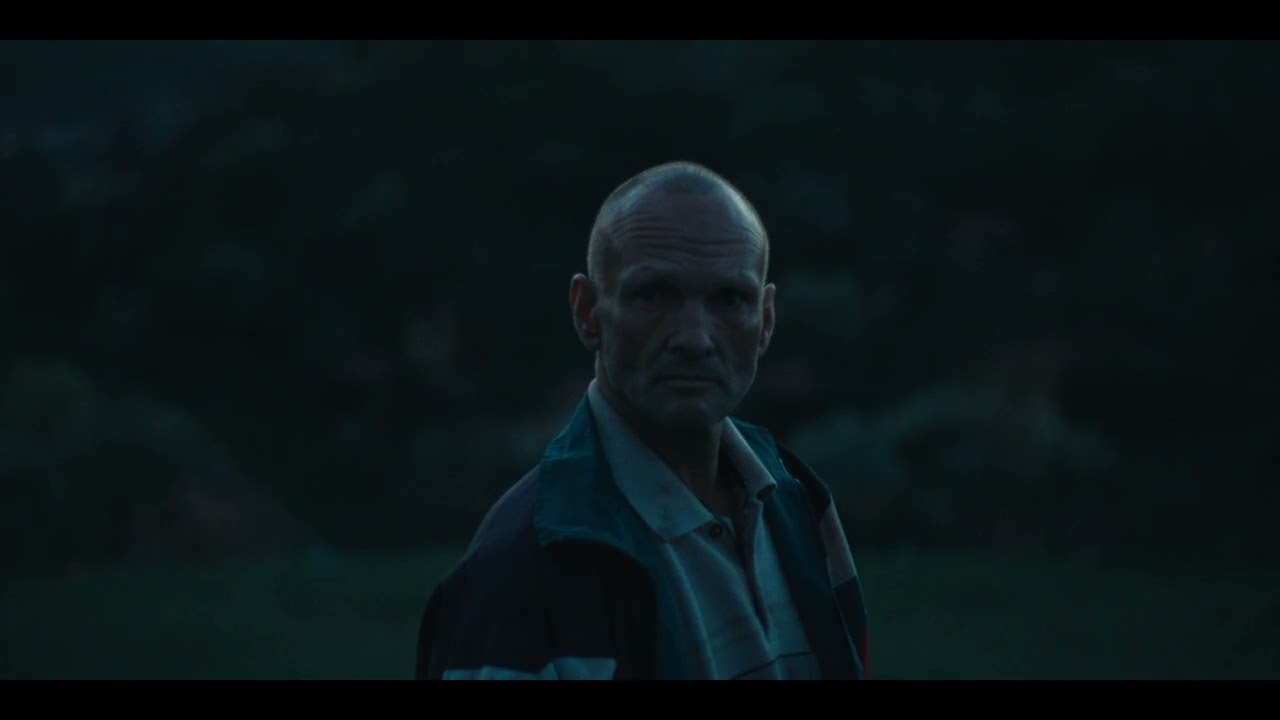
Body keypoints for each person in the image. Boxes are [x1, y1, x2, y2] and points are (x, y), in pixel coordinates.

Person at [414, 161, 869, 680]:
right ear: (587, 311)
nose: (694, 338)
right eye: (653, 295)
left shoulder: (801, 506)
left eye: (730, 299)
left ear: (765, 320)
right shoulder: (525, 569)